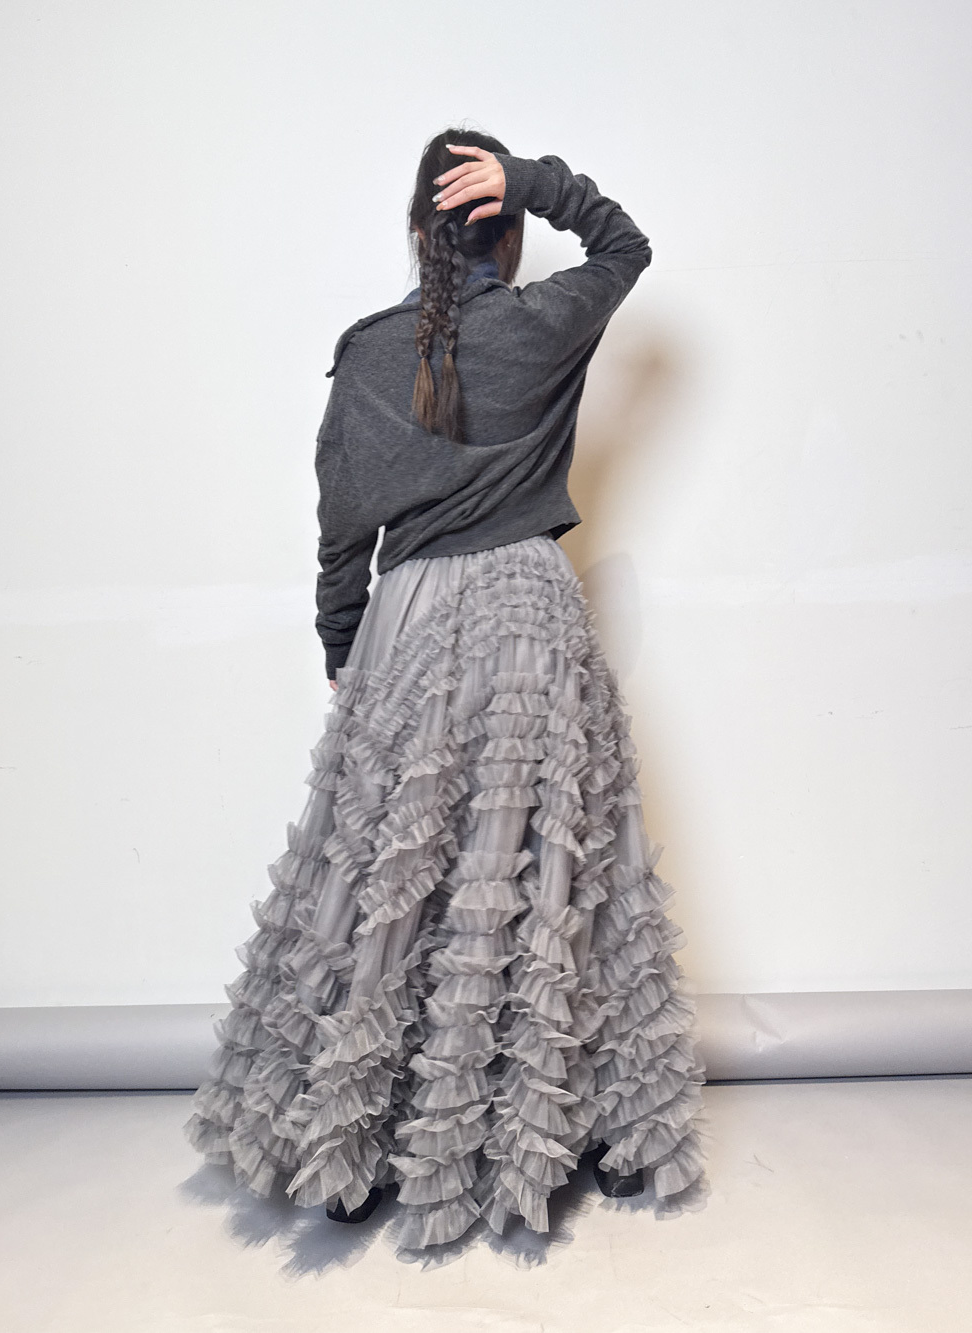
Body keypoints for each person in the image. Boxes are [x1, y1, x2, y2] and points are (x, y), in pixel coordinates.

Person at [184, 126, 711, 1253]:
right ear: (506, 232)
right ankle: (588, 1126)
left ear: (413, 230)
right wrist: (538, 182)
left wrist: (343, 641)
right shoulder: (540, 322)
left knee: (387, 870)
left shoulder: (370, 354)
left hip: (411, 618)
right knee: (558, 860)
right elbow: (625, 246)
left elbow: (340, 528)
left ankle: (352, 1149)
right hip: (528, 613)